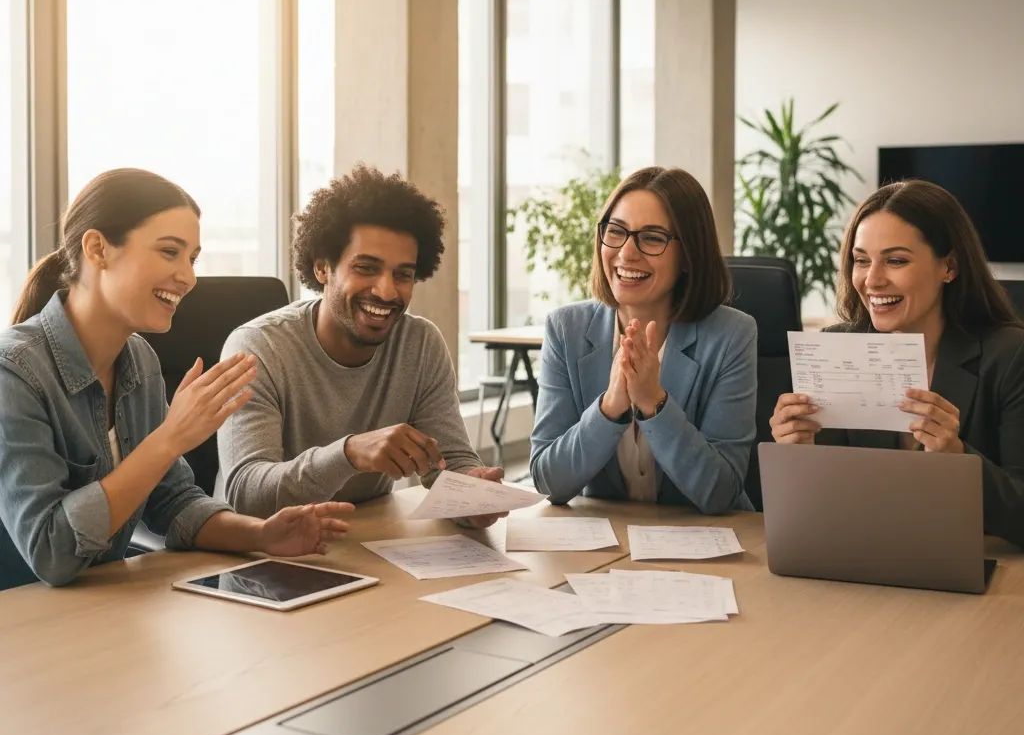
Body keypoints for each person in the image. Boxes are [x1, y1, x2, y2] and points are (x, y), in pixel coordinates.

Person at [0, 169, 352, 591]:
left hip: (104, 608)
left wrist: (261, 535)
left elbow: (173, 501)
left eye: (192, 258)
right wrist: (169, 438)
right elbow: (50, 551)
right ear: (97, 249)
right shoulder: (14, 373)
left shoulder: (138, 360)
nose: (188, 277)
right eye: (170, 252)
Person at [217, 165, 504, 528]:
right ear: (322, 268)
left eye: (403, 274)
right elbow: (247, 497)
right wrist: (350, 454)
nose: (387, 291)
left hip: (366, 543)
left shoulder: (420, 344)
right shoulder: (258, 348)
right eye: (366, 268)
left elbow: (448, 464)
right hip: (262, 561)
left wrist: (473, 495)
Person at [770, 179, 1024, 546]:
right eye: (861, 261)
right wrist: (797, 455)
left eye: (896, 260)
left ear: (949, 266)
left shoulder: (1011, 355)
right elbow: (821, 512)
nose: (872, 280)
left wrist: (958, 458)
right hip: (864, 565)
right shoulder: (838, 349)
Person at [530, 166, 757, 510]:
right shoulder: (566, 330)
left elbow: (720, 493)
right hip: (607, 547)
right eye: (616, 231)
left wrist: (654, 403)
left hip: (708, 547)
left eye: (651, 238)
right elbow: (549, 482)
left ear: (688, 256)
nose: (626, 253)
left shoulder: (731, 336)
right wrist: (610, 408)